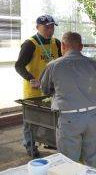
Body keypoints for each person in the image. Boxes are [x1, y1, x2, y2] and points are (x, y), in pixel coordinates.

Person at [40, 32, 96, 168]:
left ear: (63, 46)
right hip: (93, 117)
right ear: (81, 47)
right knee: (92, 160)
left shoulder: (53, 65)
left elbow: (45, 90)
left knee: (69, 163)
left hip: (69, 118)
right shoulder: (95, 65)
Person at [15, 14, 62, 157]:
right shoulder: (30, 44)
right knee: (31, 120)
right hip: (34, 90)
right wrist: (30, 79)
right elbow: (19, 66)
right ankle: (30, 145)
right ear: (37, 27)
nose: (50, 30)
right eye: (47, 27)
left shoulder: (56, 42)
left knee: (50, 118)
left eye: (52, 27)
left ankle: (48, 141)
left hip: (51, 89)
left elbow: (60, 62)